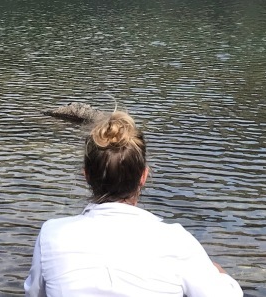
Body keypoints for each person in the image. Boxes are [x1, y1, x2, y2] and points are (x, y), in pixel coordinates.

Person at [24, 111, 242, 297]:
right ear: (144, 176)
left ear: (87, 176)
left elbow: (34, 292)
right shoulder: (177, 241)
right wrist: (220, 275)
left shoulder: (52, 234)